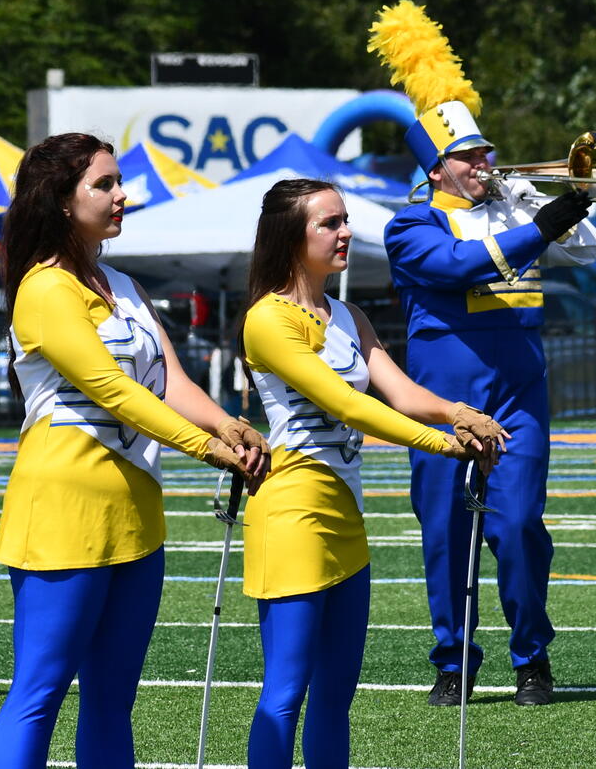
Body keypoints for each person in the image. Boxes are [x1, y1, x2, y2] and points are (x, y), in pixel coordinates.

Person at [0, 133, 268, 768]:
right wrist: (207, 449)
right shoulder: (43, 287)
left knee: (113, 700)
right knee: (40, 694)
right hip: (63, 510)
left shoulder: (123, 284)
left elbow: (170, 380)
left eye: (118, 182)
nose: (122, 195)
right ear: (61, 201)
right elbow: (111, 389)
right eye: (103, 185)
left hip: (137, 513)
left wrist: (230, 426)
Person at [370, 0, 596, 707]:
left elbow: (592, 252)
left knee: (519, 525)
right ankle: (453, 661)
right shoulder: (409, 224)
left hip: (519, 395)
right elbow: (463, 266)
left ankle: (532, 655)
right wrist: (540, 221)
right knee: (445, 537)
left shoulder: (516, 205)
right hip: (443, 402)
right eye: (471, 157)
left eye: (487, 152)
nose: (486, 163)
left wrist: (567, 199)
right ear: (437, 170)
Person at [240, 178, 506, 767]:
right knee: (285, 695)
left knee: (337, 697)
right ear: (291, 236)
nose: (345, 232)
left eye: (344, 220)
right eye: (329, 223)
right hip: (291, 511)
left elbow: (402, 392)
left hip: (345, 513)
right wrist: (446, 444)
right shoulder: (268, 319)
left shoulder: (348, 314)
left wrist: (461, 412)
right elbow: (350, 405)